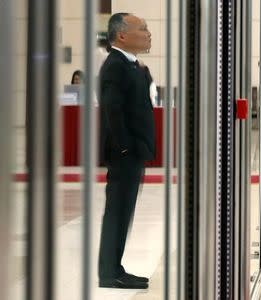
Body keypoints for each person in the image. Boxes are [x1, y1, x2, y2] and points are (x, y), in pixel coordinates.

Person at [98, 12, 154, 289]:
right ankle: (109, 273)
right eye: (142, 29)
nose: (148, 33)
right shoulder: (115, 66)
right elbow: (113, 111)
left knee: (123, 212)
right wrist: (123, 149)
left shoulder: (132, 65)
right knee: (117, 212)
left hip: (133, 152)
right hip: (124, 154)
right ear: (121, 35)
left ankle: (115, 267)